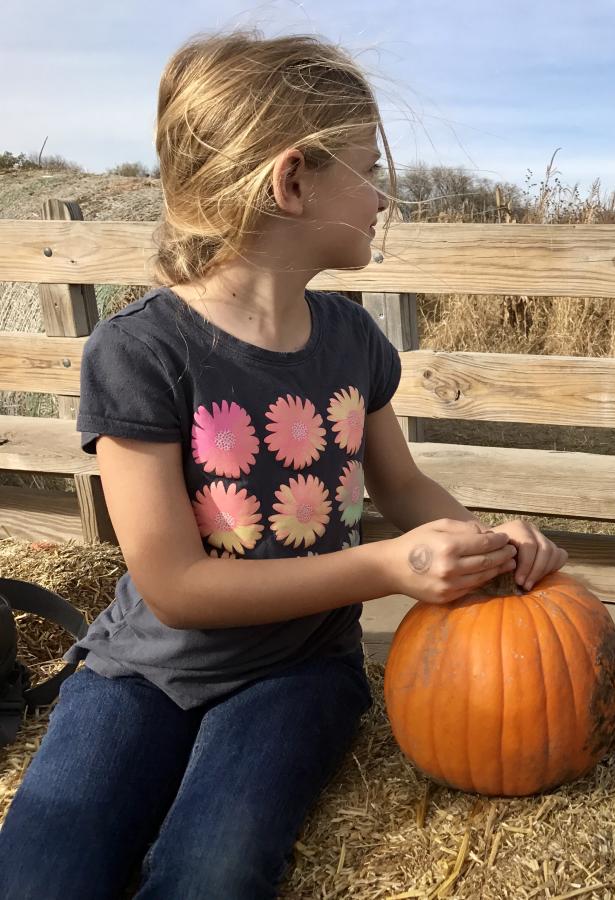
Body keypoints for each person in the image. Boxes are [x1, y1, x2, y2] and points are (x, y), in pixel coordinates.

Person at [0, 28, 567, 900]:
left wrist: (488, 542)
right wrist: (387, 566)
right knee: (42, 876)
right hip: (144, 667)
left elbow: (404, 486)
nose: (383, 198)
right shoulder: (141, 352)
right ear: (293, 181)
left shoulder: (353, 340)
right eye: (368, 168)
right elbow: (176, 586)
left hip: (300, 672)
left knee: (209, 878)